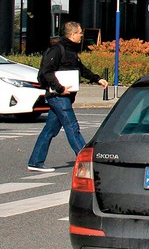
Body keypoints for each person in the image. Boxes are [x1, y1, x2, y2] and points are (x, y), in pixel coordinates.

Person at [27, 21, 109, 172]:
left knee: (49, 130)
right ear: (71, 35)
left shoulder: (71, 51)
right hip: (58, 96)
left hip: (65, 96)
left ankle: (35, 161)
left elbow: (81, 69)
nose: (81, 35)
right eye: (79, 33)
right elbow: (46, 72)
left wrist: (97, 79)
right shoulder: (57, 50)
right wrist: (59, 88)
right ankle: (86, 161)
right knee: (73, 127)